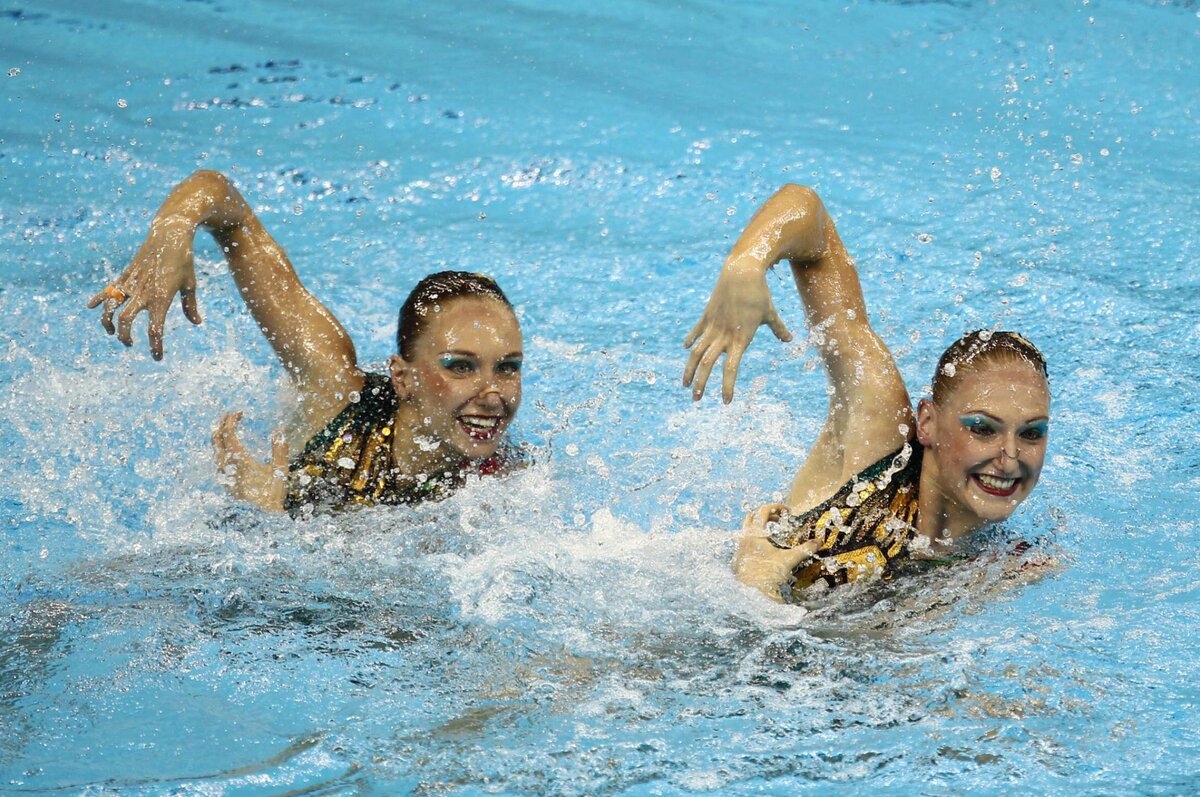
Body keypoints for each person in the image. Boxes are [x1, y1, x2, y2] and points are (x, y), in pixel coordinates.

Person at [683, 184, 1050, 602]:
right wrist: (746, 263)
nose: (1010, 457)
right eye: (982, 428)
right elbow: (810, 218)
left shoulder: (1003, 569)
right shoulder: (879, 446)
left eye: (1031, 433)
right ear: (927, 422)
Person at [88, 170, 524, 516]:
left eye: (507, 367)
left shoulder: (504, 483)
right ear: (402, 377)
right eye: (461, 366)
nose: (492, 395)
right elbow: (223, 201)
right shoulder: (334, 392)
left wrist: (274, 514)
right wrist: (173, 229)